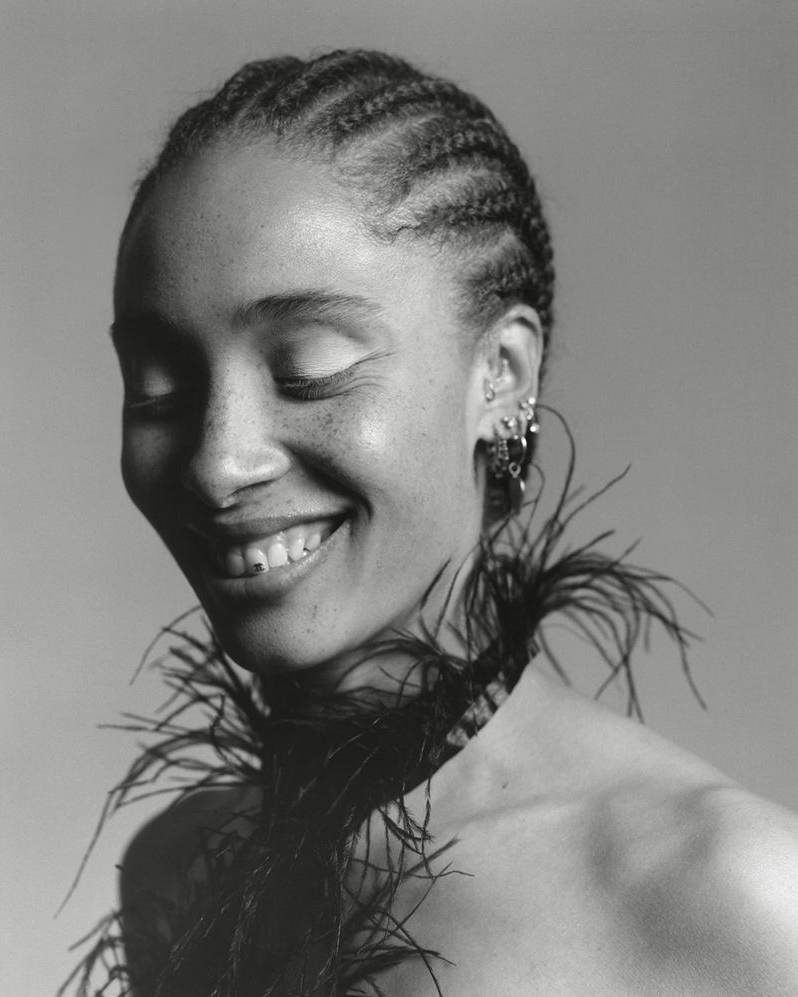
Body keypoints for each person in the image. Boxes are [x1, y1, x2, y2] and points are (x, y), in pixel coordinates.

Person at [67, 49, 798, 996]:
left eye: (307, 370)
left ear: (501, 376)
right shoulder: (178, 871)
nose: (217, 461)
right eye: (158, 389)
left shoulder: (725, 897)